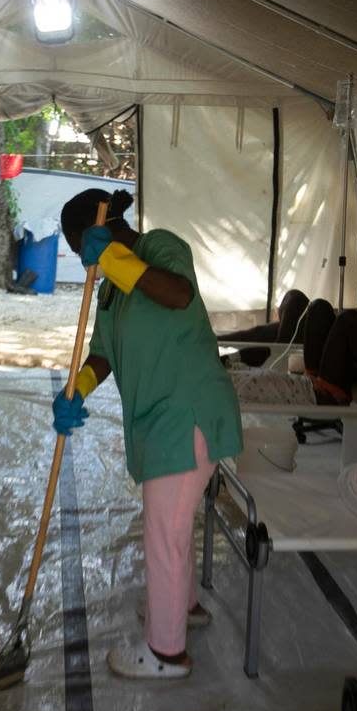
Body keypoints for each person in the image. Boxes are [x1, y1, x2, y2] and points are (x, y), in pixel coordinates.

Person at [52, 188, 243, 680]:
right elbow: (103, 354)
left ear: (103, 228)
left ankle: (166, 652)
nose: (88, 264)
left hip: (188, 409)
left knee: (165, 533)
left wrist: (113, 257)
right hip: (160, 417)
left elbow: (177, 294)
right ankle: (187, 607)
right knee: (171, 525)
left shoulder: (160, 246)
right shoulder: (110, 289)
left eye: (84, 251)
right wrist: (78, 390)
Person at [217, 289, 309, 367]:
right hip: (297, 320)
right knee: (265, 338)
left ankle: (225, 348)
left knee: (271, 342)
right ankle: (225, 348)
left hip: (299, 322)